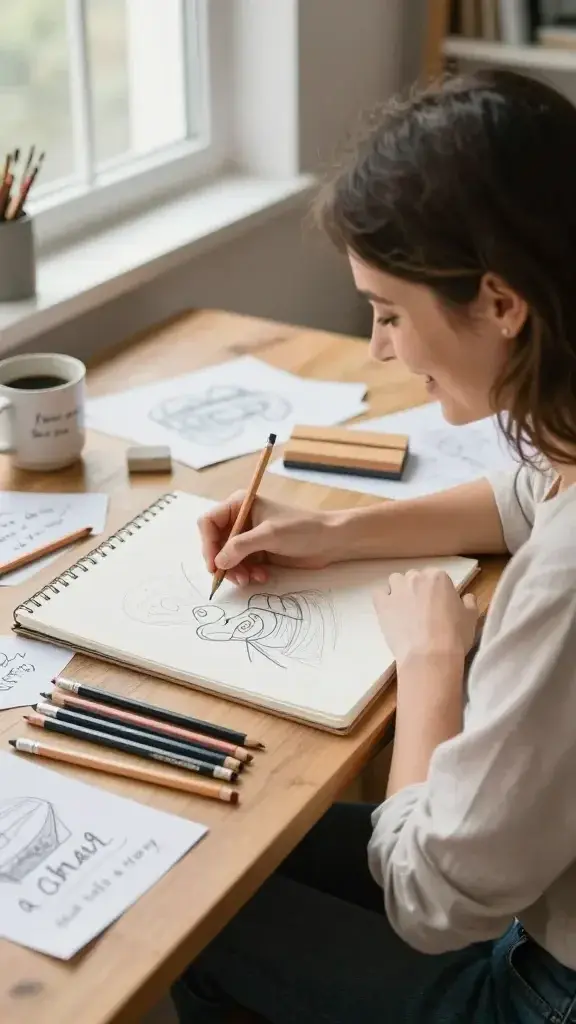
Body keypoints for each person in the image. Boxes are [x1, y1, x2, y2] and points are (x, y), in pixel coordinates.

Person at [172, 70, 576, 1023]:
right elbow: (532, 488)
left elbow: (433, 901)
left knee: (191, 917)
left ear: (500, 303)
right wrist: (334, 531)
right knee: (220, 838)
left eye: (390, 312)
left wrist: (433, 666)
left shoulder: (562, 588)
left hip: (545, 990)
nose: (378, 350)